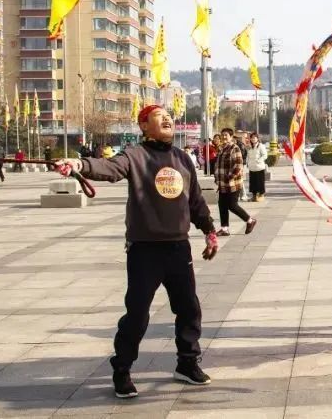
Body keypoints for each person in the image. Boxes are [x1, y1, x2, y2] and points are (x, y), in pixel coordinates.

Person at [53, 105, 218, 395]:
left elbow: (194, 201)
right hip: (145, 250)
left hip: (178, 248)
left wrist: (209, 231)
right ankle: (122, 369)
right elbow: (110, 168)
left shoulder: (182, 158)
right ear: (143, 125)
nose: (167, 119)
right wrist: (80, 165)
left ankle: (187, 363)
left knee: (189, 309)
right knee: (138, 314)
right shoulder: (134, 155)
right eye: (158, 116)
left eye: (169, 116)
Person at [214, 128, 256, 236]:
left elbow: (238, 166)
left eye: (226, 135)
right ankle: (224, 229)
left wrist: (229, 177)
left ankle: (250, 220)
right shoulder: (222, 148)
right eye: (222, 135)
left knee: (232, 205)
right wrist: (217, 178)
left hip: (232, 183)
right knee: (222, 205)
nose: (224, 137)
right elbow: (218, 165)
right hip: (222, 184)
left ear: (231, 137)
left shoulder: (234, 148)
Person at [245, 132, 269, 202]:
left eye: (254, 138)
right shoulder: (249, 147)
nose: (253, 139)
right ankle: (254, 196)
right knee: (253, 183)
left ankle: (261, 195)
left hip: (259, 168)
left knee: (260, 183)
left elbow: (265, 155)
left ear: (257, 138)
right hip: (252, 168)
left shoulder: (261, 146)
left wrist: (258, 161)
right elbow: (248, 156)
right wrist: (247, 163)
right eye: (251, 138)